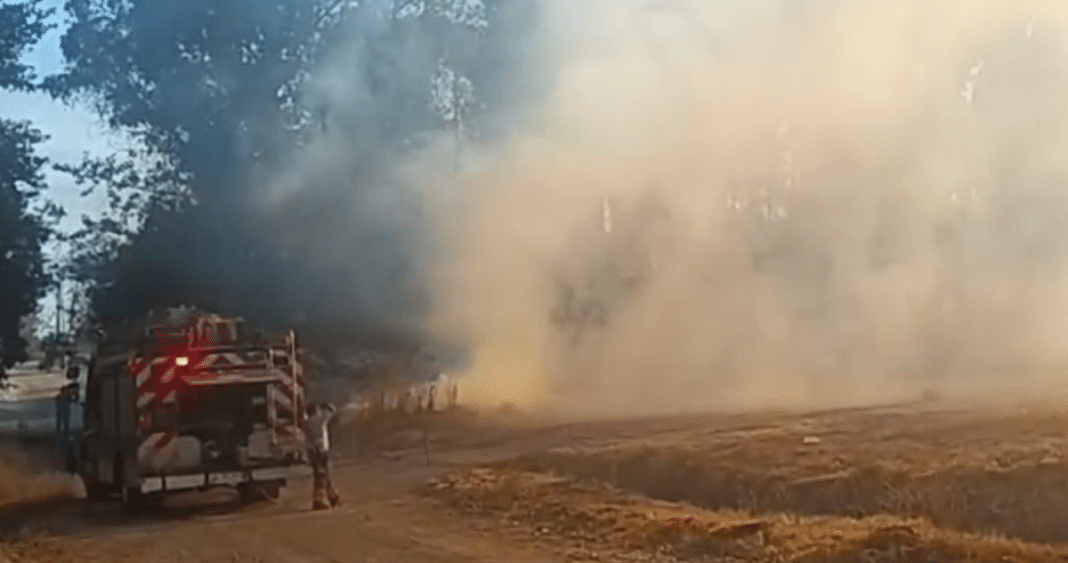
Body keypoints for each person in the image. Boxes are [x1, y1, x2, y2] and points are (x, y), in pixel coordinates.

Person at [303, 402, 341, 510]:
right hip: (320, 451)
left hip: (312, 451)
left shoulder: (306, 423)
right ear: (316, 411)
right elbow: (332, 411)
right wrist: (326, 405)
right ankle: (319, 500)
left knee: (323, 474)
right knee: (322, 475)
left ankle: (332, 496)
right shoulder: (318, 420)